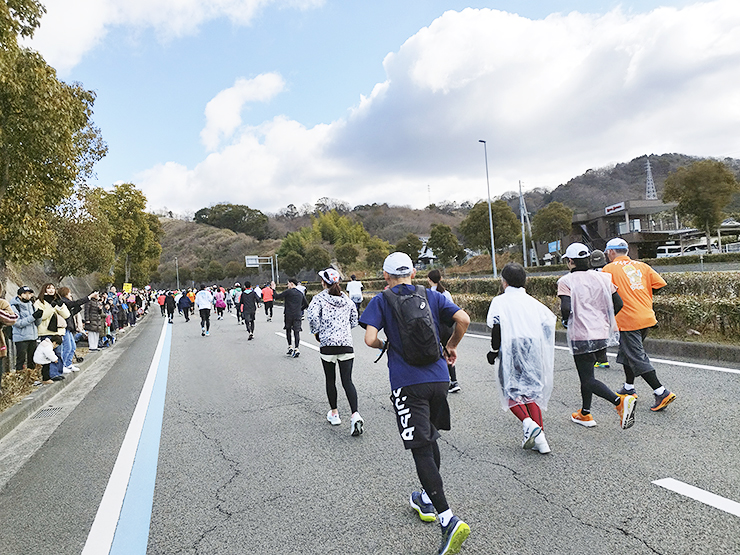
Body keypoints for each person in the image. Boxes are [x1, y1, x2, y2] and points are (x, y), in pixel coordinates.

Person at [360, 252, 471, 555]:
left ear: (385, 276)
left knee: (420, 447)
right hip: (438, 378)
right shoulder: (431, 296)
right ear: (412, 272)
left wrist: (388, 344)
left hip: (408, 383)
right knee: (430, 437)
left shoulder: (381, 300)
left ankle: (448, 520)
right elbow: (463, 319)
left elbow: (370, 339)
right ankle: (425, 497)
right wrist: (450, 347)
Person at [558, 243, 636, 430]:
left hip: (581, 334)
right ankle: (585, 413)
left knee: (587, 378)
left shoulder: (566, 281)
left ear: (570, 261)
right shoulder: (603, 278)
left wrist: (565, 320)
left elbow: (566, 308)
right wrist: (603, 318)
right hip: (601, 332)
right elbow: (618, 303)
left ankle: (619, 401)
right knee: (588, 374)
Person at [486, 263, 555, 454]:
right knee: (530, 390)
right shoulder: (532, 302)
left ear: (504, 282)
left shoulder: (500, 301)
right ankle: (541, 439)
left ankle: (528, 423)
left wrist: (494, 351)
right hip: (531, 347)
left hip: (510, 348)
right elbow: (547, 321)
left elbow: (496, 328)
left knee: (510, 389)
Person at [602, 237, 676, 411]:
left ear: (611, 252)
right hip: (646, 316)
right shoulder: (642, 266)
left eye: (607, 252)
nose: (607, 255)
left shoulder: (608, 269)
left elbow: (604, 294)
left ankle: (661, 392)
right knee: (627, 353)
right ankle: (628, 388)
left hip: (628, 319)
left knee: (637, 357)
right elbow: (659, 284)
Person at [307, 268, 364, 435]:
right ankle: (355, 415)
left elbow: (312, 317)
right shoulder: (347, 300)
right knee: (348, 381)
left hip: (327, 345)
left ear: (324, 282)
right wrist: (344, 330)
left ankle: (335, 413)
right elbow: (354, 320)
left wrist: (317, 333)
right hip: (346, 344)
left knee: (330, 379)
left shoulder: (318, 299)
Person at [427, 269, 460, 394]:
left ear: (429, 280)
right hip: (448, 326)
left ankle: (438, 380)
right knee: (448, 351)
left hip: (435, 326)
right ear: (440, 279)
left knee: (434, 353)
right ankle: (454, 381)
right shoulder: (446, 293)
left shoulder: (429, 294)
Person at [34, 283, 71, 380]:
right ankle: (50, 375)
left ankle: (57, 373)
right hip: (46, 332)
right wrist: (51, 307)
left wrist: (60, 306)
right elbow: (42, 316)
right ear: (44, 290)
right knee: (48, 354)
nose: (51, 290)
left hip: (58, 331)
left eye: (53, 288)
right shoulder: (39, 302)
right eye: (48, 288)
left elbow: (67, 315)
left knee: (58, 353)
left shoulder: (57, 300)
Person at [59, 287, 97, 373]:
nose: (70, 294)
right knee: (67, 347)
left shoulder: (66, 302)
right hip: (64, 327)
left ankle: (68, 364)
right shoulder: (63, 301)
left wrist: (78, 306)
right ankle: (63, 365)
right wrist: (89, 297)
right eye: (69, 293)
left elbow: (71, 313)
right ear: (64, 293)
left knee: (72, 346)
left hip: (69, 327)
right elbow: (76, 303)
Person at [272, 279, 308, 357]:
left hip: (288, 314)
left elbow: (276, 296)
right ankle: (297, 348)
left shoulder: (288, 292)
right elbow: (306, 304)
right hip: (297, 315)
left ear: (291, 284)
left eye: (288, 284)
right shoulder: (300, 293)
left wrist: (273, 288)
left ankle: (290, 346)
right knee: (296, 331)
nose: (287, 285)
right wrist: (299, 309)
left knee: (288, 330)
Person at [10, 286, 40, 372]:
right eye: (25, 293)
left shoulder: (31, 305)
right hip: (21, 338)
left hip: (33, 337)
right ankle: (19, 379)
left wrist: (39, 316)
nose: (27, 296)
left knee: (33, 360)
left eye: (29, 293)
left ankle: (31, 379)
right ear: (19, 295)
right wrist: (33, 317)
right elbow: (18, 323)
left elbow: (37, 323)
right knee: (21, 360)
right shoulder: (14, 306)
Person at [589, 249, 610, 368]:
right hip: (610, 305)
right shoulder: (609, 271)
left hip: (595, 307)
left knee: (596, 333)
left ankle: (601, 359)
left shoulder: (590, 274)